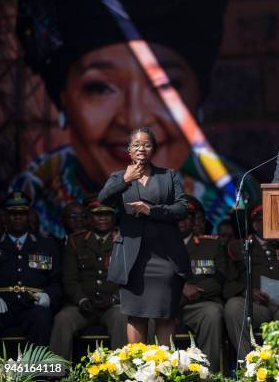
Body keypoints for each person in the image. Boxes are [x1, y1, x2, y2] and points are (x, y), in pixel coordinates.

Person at [12, 0, 256, 238]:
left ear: (198, 95)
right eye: (101, 87)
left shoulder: (244, 209)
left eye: (165, 86)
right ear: (62, 98)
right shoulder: (24, 207)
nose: (134, 119)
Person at [98, 127, 190, 345]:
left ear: (153, 150)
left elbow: (182, 208)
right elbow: (102, 199)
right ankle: (138, 370)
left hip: (165, 257)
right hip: (133, 260)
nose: (141, 148)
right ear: (129, 150)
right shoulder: (118, 177)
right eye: (136, 145)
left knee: (166, 315)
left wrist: (152, 210)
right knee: (136, 316)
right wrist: (126, 180)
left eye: (147, 144)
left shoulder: (168, 176)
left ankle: (165, 371)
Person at [49, 197, 127, 359]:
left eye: (107, 215)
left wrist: (114, 299)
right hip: (83, 305)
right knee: (62, 319)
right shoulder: (76, 241)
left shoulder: (125, 241)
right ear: (89, 218)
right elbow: (70, 279)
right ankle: (55, 374)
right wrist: (82, 300)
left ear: (114, 218)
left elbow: (132, 278)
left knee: (121, 318)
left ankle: (123, 371)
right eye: (98, 215)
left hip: (113, 305)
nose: (103, 218)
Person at [0, 191, 61, 347]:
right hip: (1, 305)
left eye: (23, 213)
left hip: (33, 305)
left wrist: (48, 296)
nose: (18, 217)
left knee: (42, 316)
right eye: (13, 213)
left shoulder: (46, 245)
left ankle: (36, 370)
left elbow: (57, 280)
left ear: (29, 215)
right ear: (4, 217)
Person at [223, 205, 279, 361]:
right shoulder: (238, 247)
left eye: (268, 220)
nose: (263, 224)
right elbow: (227, 282)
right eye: (259, 221)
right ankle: (248, 365)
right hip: (256, 306)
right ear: (254, 224)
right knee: (233, 307)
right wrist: (246, 291)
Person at [179, 196, 227, 373]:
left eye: (187, 216)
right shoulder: (159, 244)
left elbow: (220, 278)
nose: (181, 220)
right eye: (177, 216)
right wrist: (181, 288)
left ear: (194, 220)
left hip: (200, 303)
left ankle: (207, 374)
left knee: (212, 313)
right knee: (147, 314)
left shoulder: (211, 245)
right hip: (167, 303)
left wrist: (196, 290)